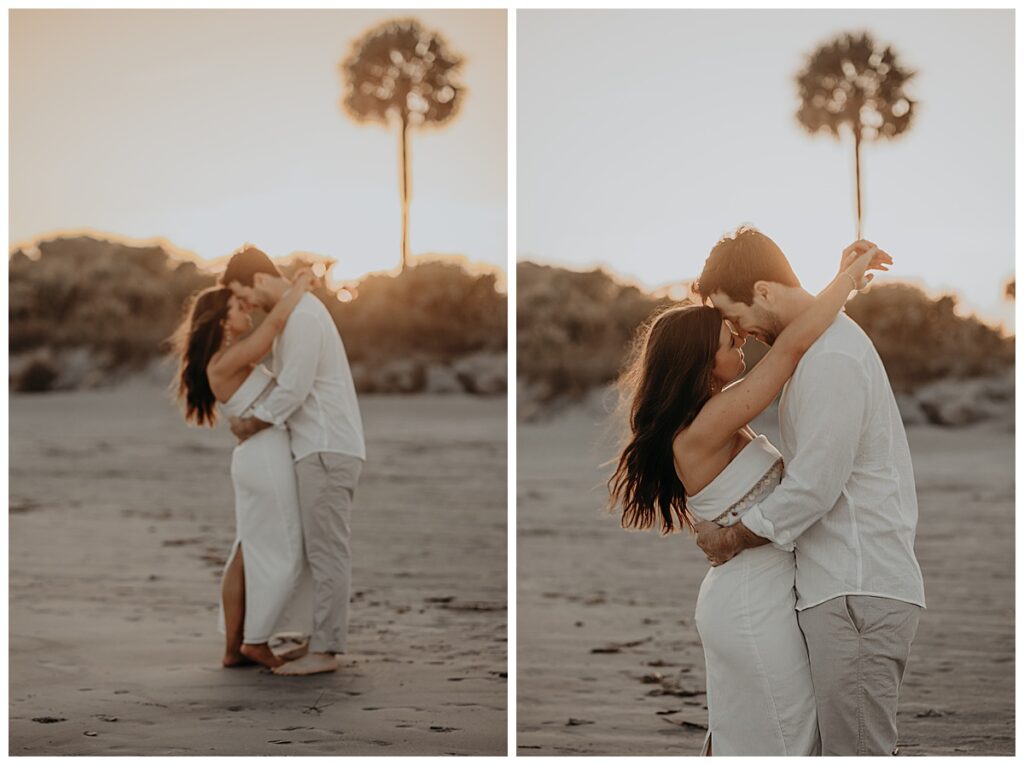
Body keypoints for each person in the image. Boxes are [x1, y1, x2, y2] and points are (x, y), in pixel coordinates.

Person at [609, 230, 891, 755]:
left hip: (760, 595)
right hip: (750, 600)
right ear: (700, 362)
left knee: (769, 733)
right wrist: (846, 281)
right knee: (786, 739)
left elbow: (790, 342)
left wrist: (839, 283)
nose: (741, 341)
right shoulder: (706, 426)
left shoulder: (709, 417)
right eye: (729, 342)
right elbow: (790, 349)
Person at [691, 227, 925, 756]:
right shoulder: (820, 347)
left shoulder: (831, 359)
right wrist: (843, 281)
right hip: (840, 587)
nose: (740, 333)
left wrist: (730, 539)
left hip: (856, 587)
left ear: (765, 291)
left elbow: (813, 486)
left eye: (736, 316)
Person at [222, 245, 366, 677]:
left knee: (327, 551)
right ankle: (315, 639)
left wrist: (253, 423)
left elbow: (294, 388)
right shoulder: (298, 312)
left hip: (324, 447)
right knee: (316, 549)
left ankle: (326, 649)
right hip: (318, 446)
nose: (246, 304)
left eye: (242, 294)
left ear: (260, 280)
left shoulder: (302, 316)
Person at [171, 268, 315, 669]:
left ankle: (233, 650)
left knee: (247, 552)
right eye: (238, 305)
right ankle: (256, 640)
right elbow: (276, 325)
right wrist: (299, 286)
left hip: (256, 456)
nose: (247, 306)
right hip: (265, 457)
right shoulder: (226, 359)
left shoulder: (222, 361)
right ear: (222, 321)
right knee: (285, 547)